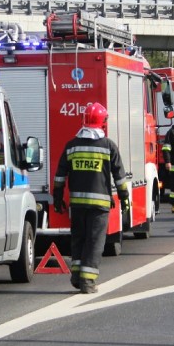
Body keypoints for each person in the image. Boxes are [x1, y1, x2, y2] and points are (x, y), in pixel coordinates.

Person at [53, 102, 130, 294]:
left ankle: (77, 277)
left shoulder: (71, 146)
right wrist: (124, 198)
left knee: (78, 239)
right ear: (102, 122)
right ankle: (87, 282)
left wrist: (57, 197)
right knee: (95, 243)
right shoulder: (108, 146)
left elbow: (60, 175)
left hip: (77, 205)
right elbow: (119, 176)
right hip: (99, 205)